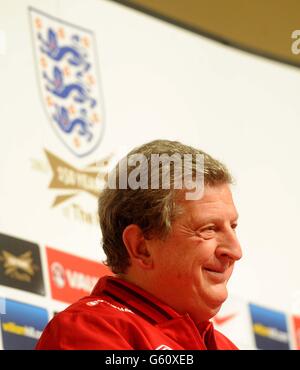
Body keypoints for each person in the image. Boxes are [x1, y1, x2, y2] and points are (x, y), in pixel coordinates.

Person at [36, 140, 242, 350]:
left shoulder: (224, 346)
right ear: (141, 247)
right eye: (209, 229)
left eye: (232, 227)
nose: (235, 251)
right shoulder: (86, 330)